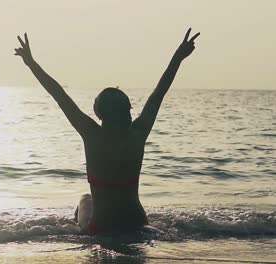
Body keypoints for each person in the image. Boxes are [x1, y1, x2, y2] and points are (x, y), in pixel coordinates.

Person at [14, 28, 200, 235]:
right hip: (138, 221)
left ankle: (77, 232)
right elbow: (160, 91)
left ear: (99, 114)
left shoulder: (91, 134)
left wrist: (30, 62)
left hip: (103, 226)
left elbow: (58, 94)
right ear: (128, 111)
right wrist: (178, 57)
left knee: (85, 199)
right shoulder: (138, 133)